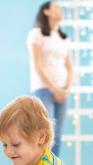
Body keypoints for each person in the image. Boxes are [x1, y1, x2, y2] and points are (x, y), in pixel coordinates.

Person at [27, 1, 73, 156]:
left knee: (58, 134)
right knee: (45, 133)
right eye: (56, 7)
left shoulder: (64, 38)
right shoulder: (36, 34)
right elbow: (37, 64)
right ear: (46, 11)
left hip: (63, 89)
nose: (61, 9)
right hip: (43, 88)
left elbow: (70, 67)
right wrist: (54, 89)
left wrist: (66, 89)